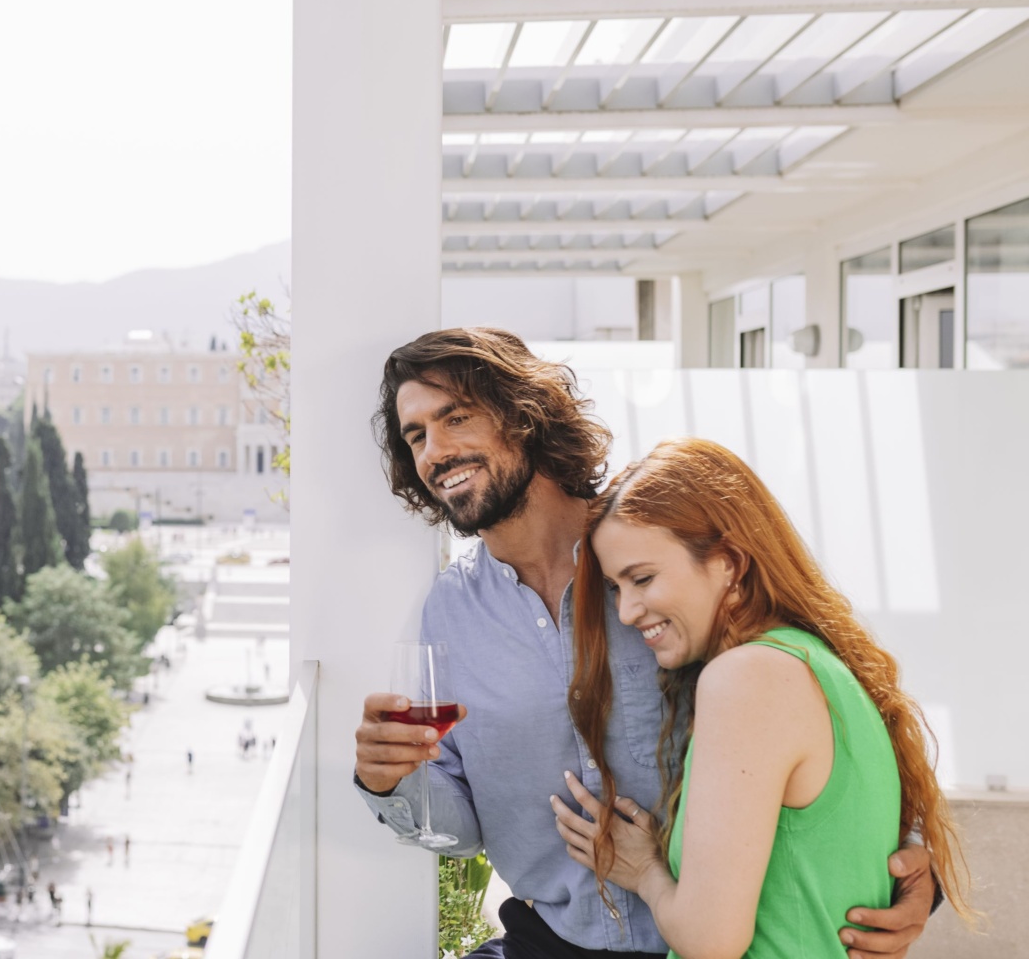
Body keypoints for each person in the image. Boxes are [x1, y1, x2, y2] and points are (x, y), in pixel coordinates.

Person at [352, 328, 939, 959]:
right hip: (551, 943)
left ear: (525, 417)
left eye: (456, 418)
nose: (435, 450)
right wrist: (391, 781)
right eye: (416, 436)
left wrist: (907, 862)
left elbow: (818, 702)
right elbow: (462, 829)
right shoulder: (449, 611)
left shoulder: (656, 553)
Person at [552, 439, 971, 957]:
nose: (627, 611)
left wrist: (643, 871)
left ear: (727, 561)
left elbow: (711, 940)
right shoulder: (815, 666)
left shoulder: (747, 678)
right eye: (617, 587)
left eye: (642, 578)